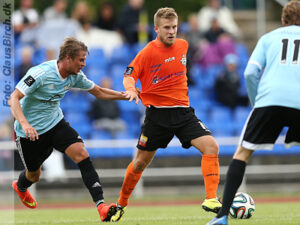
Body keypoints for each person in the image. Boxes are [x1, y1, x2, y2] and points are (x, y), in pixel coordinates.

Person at [111, 7, 222, 222]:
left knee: (211, 146)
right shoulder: (147, 52)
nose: (172, 31)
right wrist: (132, 89)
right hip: (157, 117)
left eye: (174, 27)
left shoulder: (183, 45)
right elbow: (129, 75)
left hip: (183, 113)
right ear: (156, 29)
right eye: (167, 28)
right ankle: (121, 204)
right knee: (140, 163)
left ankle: (210, 199)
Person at [9, 37, 130, 222]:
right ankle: (21, 187)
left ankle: (102, 206)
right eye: (81, 60)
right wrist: (25, 124)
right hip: (29, 132)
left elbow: (99, 91)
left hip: (56, 124)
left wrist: (127, 95)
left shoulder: (75, 76)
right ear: (67, 58)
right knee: (34, 175)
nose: (84, 64)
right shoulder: (40, 73)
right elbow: (14, 98)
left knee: (82, 154)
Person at [207, 1, 300, 224]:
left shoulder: (268, 38)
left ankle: (222, 217)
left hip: (269, 100)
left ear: (282, 20)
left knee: (242, 153)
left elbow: (250, 73)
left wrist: (256, 101)